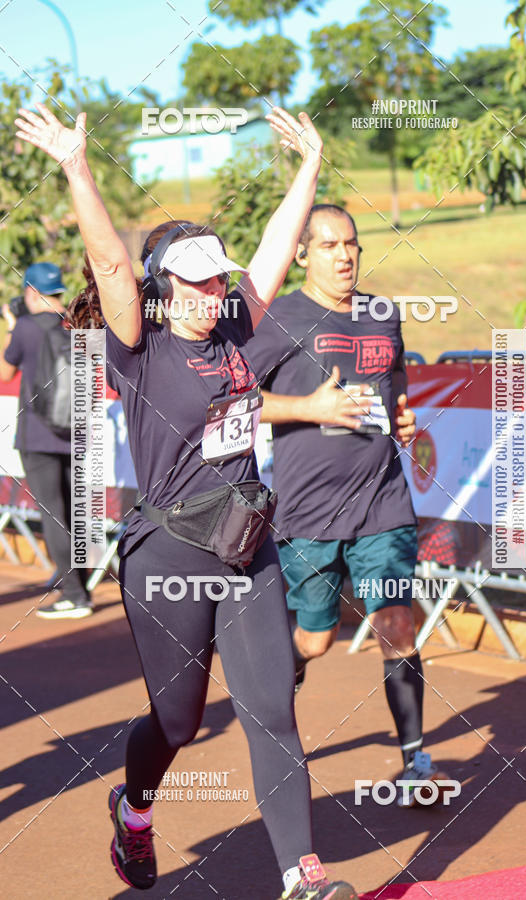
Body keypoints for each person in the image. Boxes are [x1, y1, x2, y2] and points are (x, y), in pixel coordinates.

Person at [15, 104, 358, 899]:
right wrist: (76, 166)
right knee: (177, 722)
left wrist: (307, 167)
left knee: (272, 707)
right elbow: (105, 261)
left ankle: (301, 876)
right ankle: (133, 807)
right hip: (167, 553)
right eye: (195, 280)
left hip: (246, 545)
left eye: (216, 277)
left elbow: (274, 250)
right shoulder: (141, 342)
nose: (212, 291)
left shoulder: (236, 325)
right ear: (162, 286)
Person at [245, 203, 448, 806]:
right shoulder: (280, 318)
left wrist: (405, 419)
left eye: (352, 244)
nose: (345, 256)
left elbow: (398, 387)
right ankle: (280, 695)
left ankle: (415, 760)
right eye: (330, 246)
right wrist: (311, 408)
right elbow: (234, 400)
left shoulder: (382, 314)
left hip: (383, 499)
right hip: (308, 512)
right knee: (315, 638)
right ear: (302, 255)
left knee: (396, 623)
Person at [0, 262, 92, 618]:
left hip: (39, 433)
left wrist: (12, 326)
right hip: (76, 431)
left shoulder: (25, 328)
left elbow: (5, 372)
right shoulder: (76, 322)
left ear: (30, 293)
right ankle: (74, 577)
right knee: (74, 510)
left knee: (53, 512)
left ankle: (75, 595)